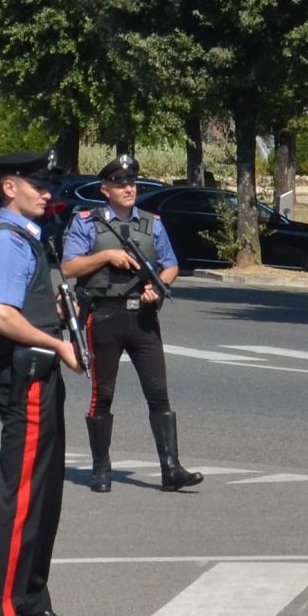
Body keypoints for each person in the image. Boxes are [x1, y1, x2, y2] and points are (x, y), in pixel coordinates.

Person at [0, 149, 84, 616]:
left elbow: (25, 305)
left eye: (48, 184)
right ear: (9, 187)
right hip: (27, 379)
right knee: (20, 500)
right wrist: (58, 344)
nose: (46, 192)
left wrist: (59, 310)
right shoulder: (7, 241)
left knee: (45, 494)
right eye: (37, 185)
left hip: (40, 375)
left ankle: (30, 599)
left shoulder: (27, 239)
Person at [61, 154, 204, 493]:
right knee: (103, 394)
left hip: (143, 317)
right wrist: (106, 256)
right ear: (105, 189)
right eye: (120, 184)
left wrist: (159, 285)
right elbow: (69, 267)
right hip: (104, 315)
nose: (128, 188)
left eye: (132, 183)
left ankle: (171, 468)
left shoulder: (152, 223)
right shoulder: (87, 222)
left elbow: (170, 265)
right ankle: (101, 469)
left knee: (158, 393)